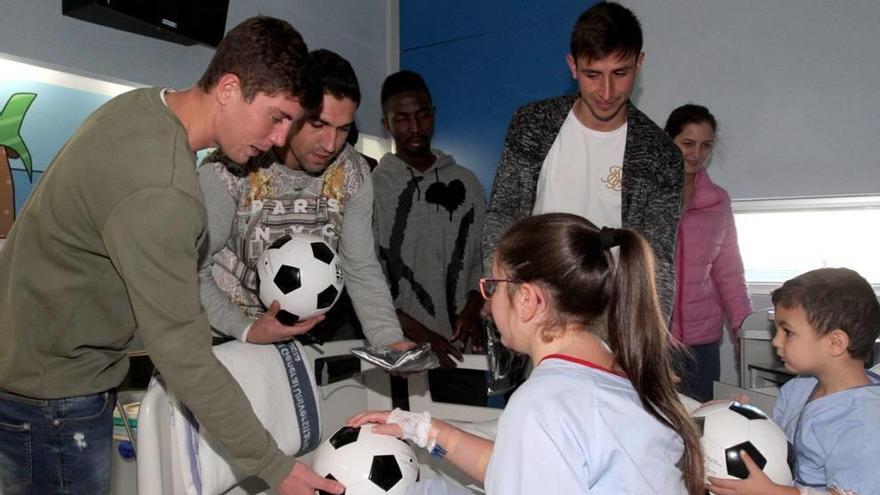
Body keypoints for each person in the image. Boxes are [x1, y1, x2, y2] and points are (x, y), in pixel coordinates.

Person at [0, 17, 345, 495]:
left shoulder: (138, 109)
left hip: (35, 375)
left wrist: (245, 328)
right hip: (54, 401)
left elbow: (148, 285)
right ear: (228, 88)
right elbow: (182, 354)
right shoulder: (164, 188)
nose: (280, 139)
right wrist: (274, 465)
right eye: (276, 117)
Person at [351, 213, 705, 494]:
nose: (487, 305)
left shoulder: (542, 405)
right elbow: (525, 468)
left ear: (528, 300)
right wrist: (425, 429)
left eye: (492, 286)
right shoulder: (619, 371)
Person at [482, 2, 683, 321]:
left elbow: (655, 259)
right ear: (572, 66)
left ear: (639, 64)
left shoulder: (660, 155)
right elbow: (503, 214)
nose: (607, 91)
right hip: (532, 308)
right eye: (593, 74)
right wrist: (499, 293)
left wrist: (651, 339)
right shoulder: (531, 125)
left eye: (620, 73)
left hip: (611, 318)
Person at [198, 49, 409, 350]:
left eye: (343, 128)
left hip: (301, 345)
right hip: (223, 340)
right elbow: (192, 270)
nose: (331, 144)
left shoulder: (353, 171)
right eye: (318, 124)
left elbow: (360, 266)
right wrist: (246, 330)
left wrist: (389, 340)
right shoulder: (229, 167)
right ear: (291, 111)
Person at [706, 268, 880, 495]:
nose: (776, 341)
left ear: (835, 343)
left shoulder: (864, 423)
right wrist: (738, 418)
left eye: (787, 332)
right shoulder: (799, 387)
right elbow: (782, 447)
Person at [372, 71, 486, 371]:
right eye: (402, 119)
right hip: (401, 349)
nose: (415, 128)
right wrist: (419, 333)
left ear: (434, 115)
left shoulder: (467, 183)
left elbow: (482, 257)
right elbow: (368, 278)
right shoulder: (371, 189)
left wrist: (475, 306)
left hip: (462, 353)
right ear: (387, 124)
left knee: (464, 420)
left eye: (423, 116)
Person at [664, 104, 752, 402]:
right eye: (687, 144)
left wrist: (743, 329)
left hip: (704, 344)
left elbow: (729, 271)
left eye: (706, 146)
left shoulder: (718, 202)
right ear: (668, 142)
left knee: (702, 426)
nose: (696, 154)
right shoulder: (648, 199)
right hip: (655, 340)